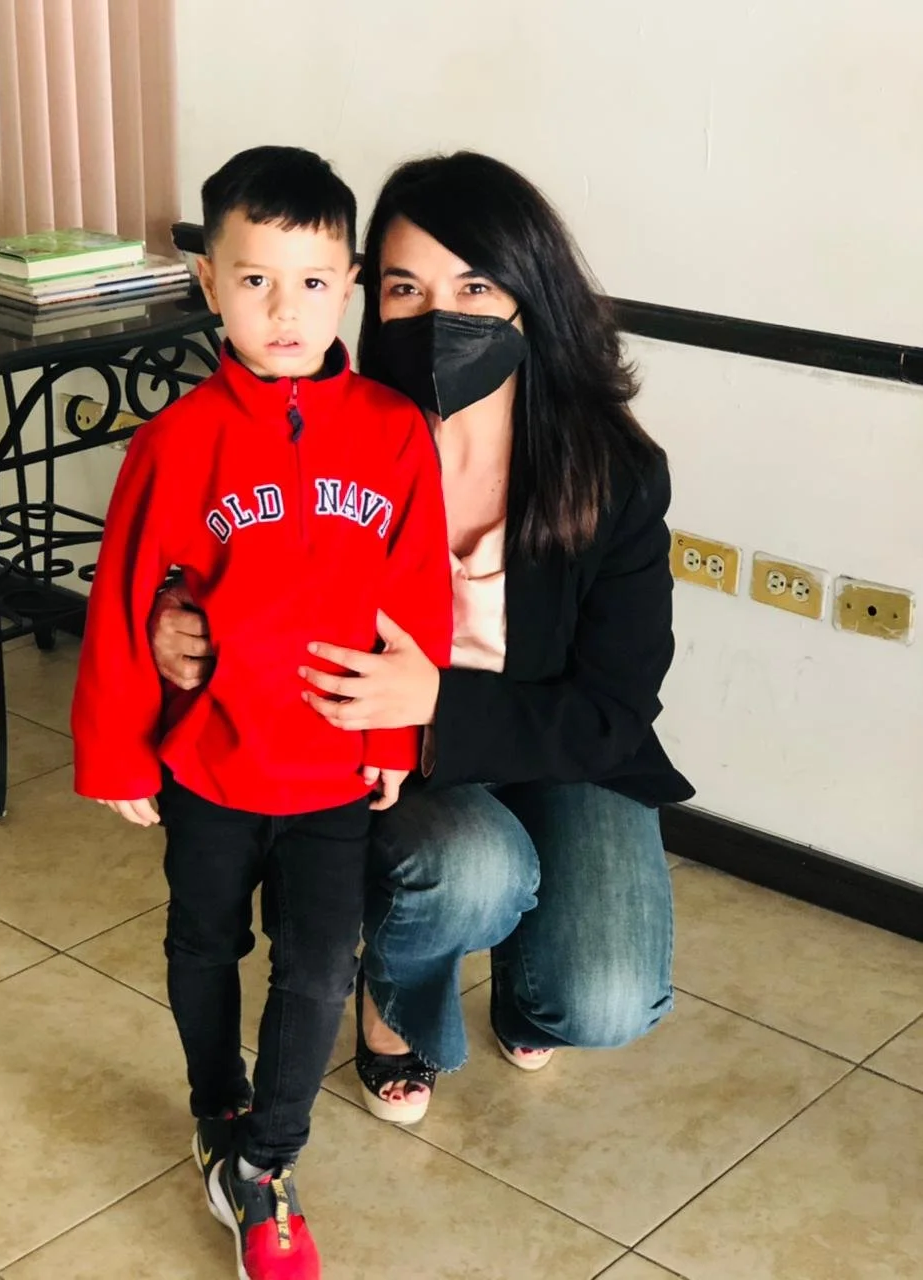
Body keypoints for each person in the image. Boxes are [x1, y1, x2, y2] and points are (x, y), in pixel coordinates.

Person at [150, 150, 693, 1133]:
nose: (440, 314)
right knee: (472, 871)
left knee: (601, 995)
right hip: (401, 757)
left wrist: (436, 695)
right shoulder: (341, 432)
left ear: (532, 298)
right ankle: (394, 1010)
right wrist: (173, 613)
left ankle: (531, 987)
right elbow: (215, 541)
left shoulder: (614, 472)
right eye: (406, 286)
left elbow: (615, 712)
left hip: (561, 745)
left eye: (476, 286)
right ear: (370, 297)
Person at [71, 145, 452, 1280]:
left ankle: (268, 1162)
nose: (284, 311)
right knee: (202, 940)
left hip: (333, 770)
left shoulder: (392, 431)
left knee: (321, 966)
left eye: (313, 280)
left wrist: (393, 738)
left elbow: (415, 603)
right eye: (253, 281)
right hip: (210, 766)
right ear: (208, 283)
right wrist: (121, 755)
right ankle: (215, 1107)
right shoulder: (176, 442)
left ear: (346, 282)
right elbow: (131, 598)